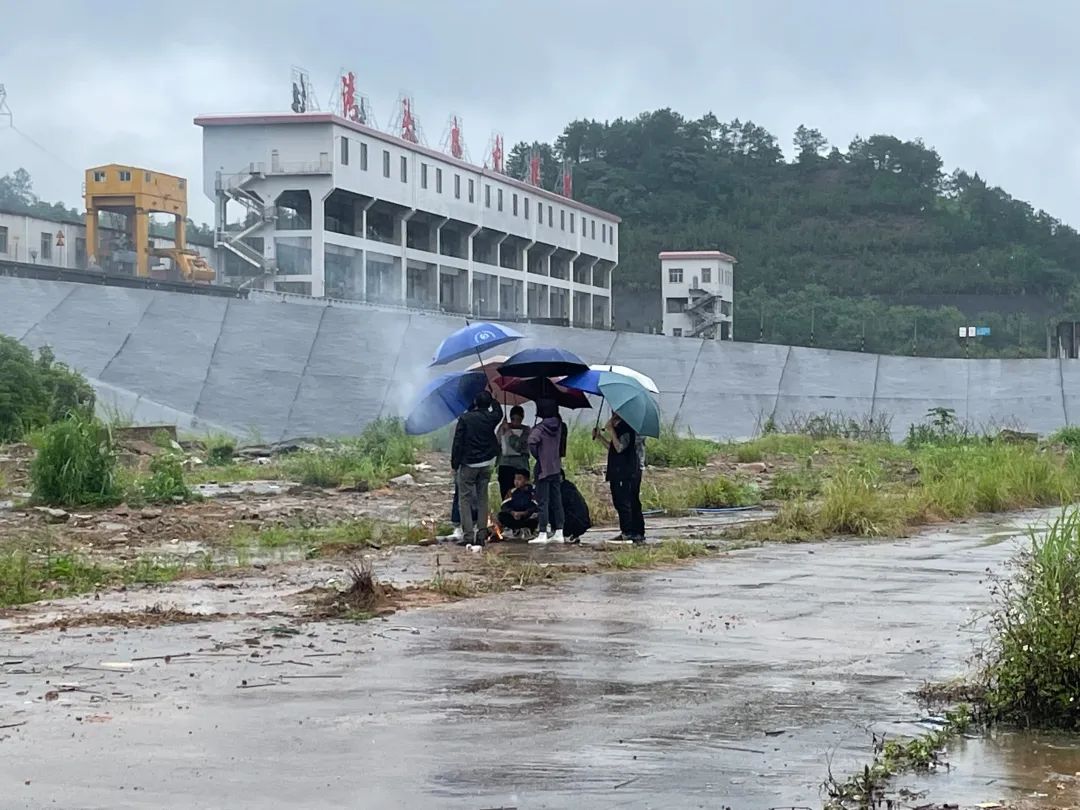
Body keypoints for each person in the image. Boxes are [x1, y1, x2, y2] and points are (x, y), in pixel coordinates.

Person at [451, 390, 502, 545]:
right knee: (482, 498)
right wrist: (494, 400)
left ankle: (468, 536)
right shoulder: (491, 417)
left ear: (475, 403)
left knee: (465, 500)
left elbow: (458, 442)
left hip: (469, 464)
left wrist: (455, 463)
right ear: (487, 404)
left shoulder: (465, 419)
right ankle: (481, 534)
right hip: (487, 463)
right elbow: (499, 412)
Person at [594, 412, 646, 544]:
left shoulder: (629, 428)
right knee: (622, 500)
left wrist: (611, 430)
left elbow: (620, 448)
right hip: (620, 470)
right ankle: (630, 532)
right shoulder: (622, 427)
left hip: (627, 471)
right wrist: (600, 438)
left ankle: (630, 532)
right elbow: (613, 447)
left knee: (626, 501)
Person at [528, 398, 565, 545]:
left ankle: (542, 532)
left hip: (543, 468)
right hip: (556, 467)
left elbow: (531, 442)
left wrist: (537, 455)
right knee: (557, 500)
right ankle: (559, 532)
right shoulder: (559, 425)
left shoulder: (540, 428)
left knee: (543, 501)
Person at [497, 405, 531, 499]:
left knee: (520, 496)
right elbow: (497, 443)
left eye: (518, 419)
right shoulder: (504, 427)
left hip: (520, 467)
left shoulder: (526, 431)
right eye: (513, 419)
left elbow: (518, 446)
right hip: (505, 466)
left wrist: (509, 432)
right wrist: (501, 430)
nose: (515, 422)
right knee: (506, 495)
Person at [497, 470, 539, 539]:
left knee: (536, 515)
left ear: (526, 480)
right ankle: (516, 529)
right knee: (502, 515)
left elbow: (536, 505)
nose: (516, 481)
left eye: (519, 479)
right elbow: (504, 505)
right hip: (516, 516)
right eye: (515, 479)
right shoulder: (512, 491)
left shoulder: (533, 491)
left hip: (528, 516)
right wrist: (512, 512)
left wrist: (525, 513)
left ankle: (529, 530)